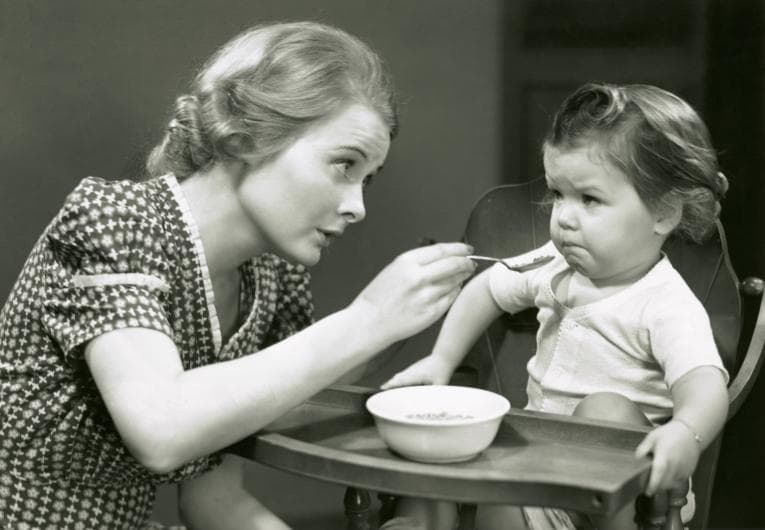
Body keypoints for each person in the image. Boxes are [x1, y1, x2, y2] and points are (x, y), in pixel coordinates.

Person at [0, 21, 477, 529]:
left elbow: (213, 501)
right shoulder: (115, 221)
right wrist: (368, 320)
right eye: (344, 164)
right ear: (249, 136)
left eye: (368, 179)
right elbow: (160, 429)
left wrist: (393, 325)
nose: (358, 207)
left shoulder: (268, 278)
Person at [380, 83, 730, 530]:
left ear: (663, 213)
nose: (563, 216)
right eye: (557, 194)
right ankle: (421, 520)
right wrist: (441, 360)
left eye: (589, 199)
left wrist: (685, 432)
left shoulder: (665, 303)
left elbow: (704, 384)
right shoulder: (554, 264)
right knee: (468, 441)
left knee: (604, 411)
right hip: (538, 476)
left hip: (623, 497)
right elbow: (486, 289)